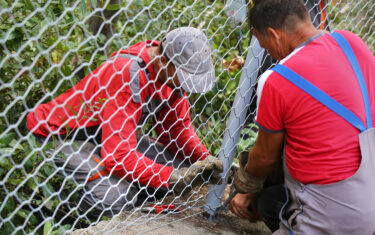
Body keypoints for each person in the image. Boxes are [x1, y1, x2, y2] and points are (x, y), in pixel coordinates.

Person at [27, 27, 223, 218]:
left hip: (105, 138)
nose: (184, 84)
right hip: (59, 138)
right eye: (183, 77)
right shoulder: (127, 74)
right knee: (115, 195)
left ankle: (136, 196)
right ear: (163, 61)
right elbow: (117, 155)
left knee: (182, 167)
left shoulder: (171, 75)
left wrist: (206, 160)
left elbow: (177, 130)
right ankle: (62, 213)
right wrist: (168, 177)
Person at [230, 0, 375, 234]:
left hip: (334, 215)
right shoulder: (351, 42)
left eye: (262, 44)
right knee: (270, 201)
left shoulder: (277, 79)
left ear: (273, 35)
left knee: (275, 198)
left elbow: (266, 157)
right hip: (370, 190)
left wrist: (244, 186)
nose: (267, 52)